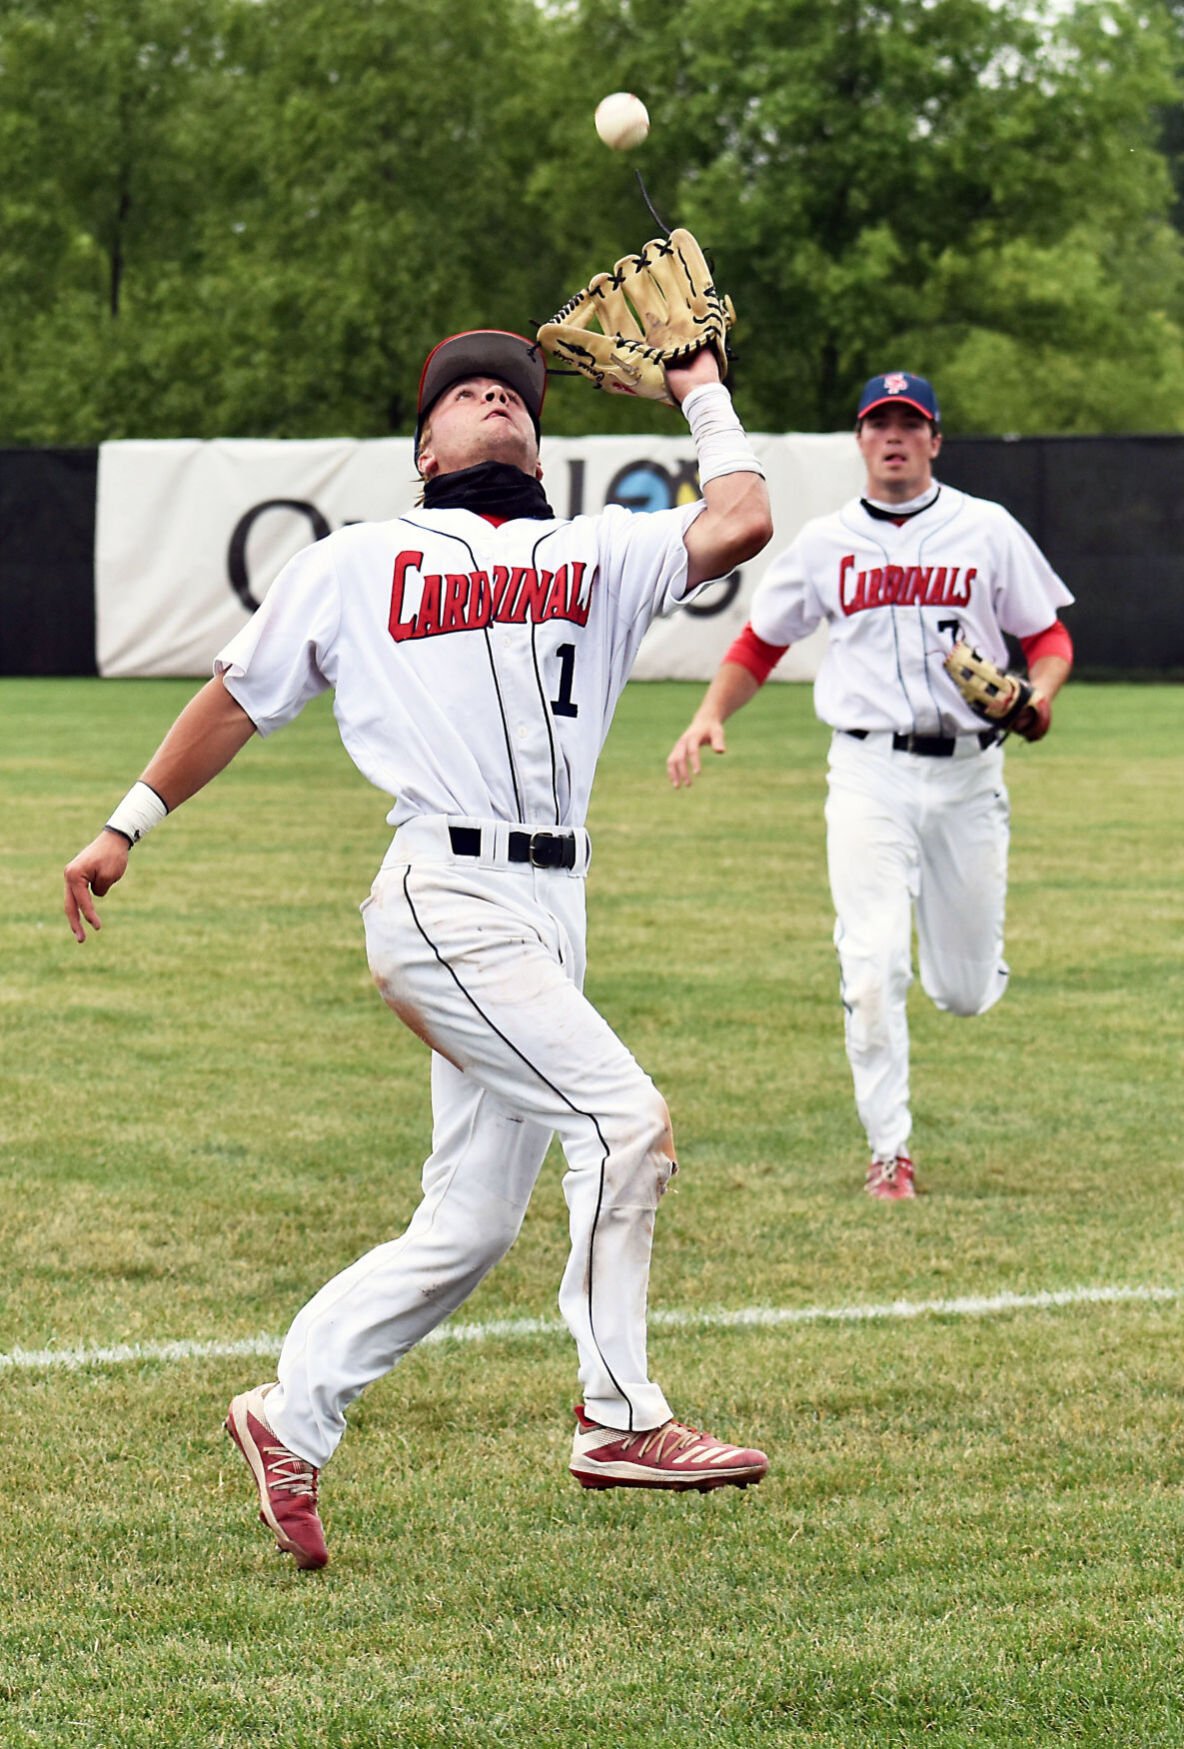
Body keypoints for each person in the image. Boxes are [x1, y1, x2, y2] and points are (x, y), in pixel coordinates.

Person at [63, 326, 773, 1569]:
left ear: (540, 442)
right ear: (423, 445)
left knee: (469, 1224)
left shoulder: (594, 550)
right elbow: (238, 696)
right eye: (464, 392)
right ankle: (619, 1417)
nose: (493, 398)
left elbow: (737, 522)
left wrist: (700, 390)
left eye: (513, 393)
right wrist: (128, 824)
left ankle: (289, 1416)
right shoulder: (356, 560)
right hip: (443, 894)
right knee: (621, 1127)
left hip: (551, 908)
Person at [667, 371, 1074, 1201]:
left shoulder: (984, 529)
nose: (893, 436)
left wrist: (1038, 695)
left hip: (967, 774)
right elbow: (759, 642)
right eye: (878, 423)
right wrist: (711, 712)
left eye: (908, 423)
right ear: (859, 440)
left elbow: (1050, 635)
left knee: (960, 991)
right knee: (871, 965)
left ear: (934, 439)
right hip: (866, 771)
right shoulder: (824, 543)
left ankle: (950, 955)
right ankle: (890, 1151)